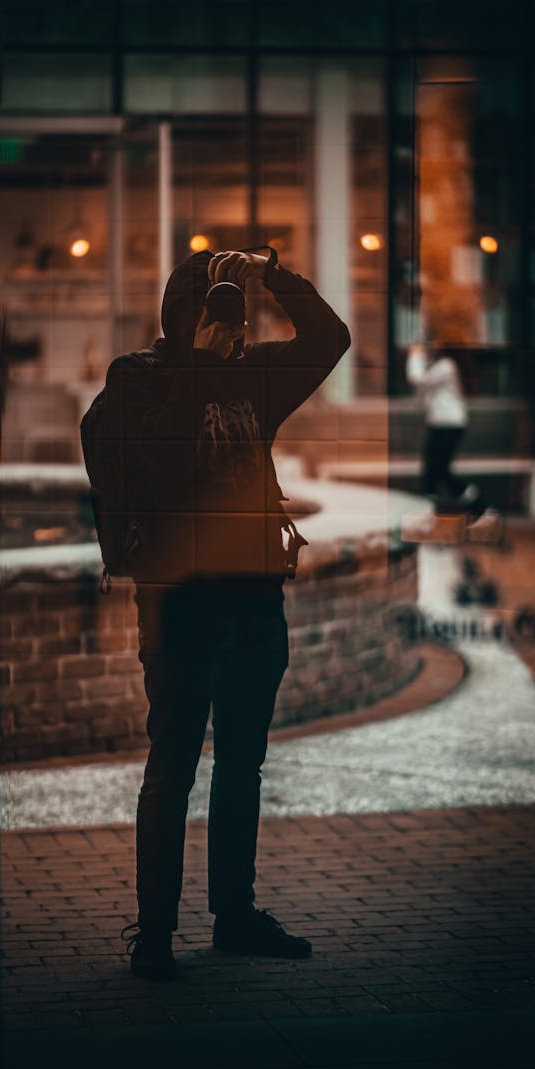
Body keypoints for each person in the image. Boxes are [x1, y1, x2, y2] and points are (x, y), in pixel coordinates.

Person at [108, 246, 350, 979]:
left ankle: (234, 916)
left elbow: (330, 339)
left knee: (242, 764)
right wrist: (199, 364)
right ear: (179, 317)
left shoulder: (255, 377)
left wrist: (275, 277)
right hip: (179, 605)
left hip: (253, 601)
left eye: (234, 314)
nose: (230, 325)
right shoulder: (138, 379)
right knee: (172, 764)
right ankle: (154, 935)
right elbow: (161, 461)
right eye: (214, 310)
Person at [406, 340, 485, 517]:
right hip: (440, 423)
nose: (431, 347)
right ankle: (430, 507)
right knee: (430, 469)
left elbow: (418, 380)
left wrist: (415, 355)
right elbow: (423, 394)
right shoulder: (440, 366)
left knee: (439, 468)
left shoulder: (447, 366)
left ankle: (475, 501)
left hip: (449, 424)